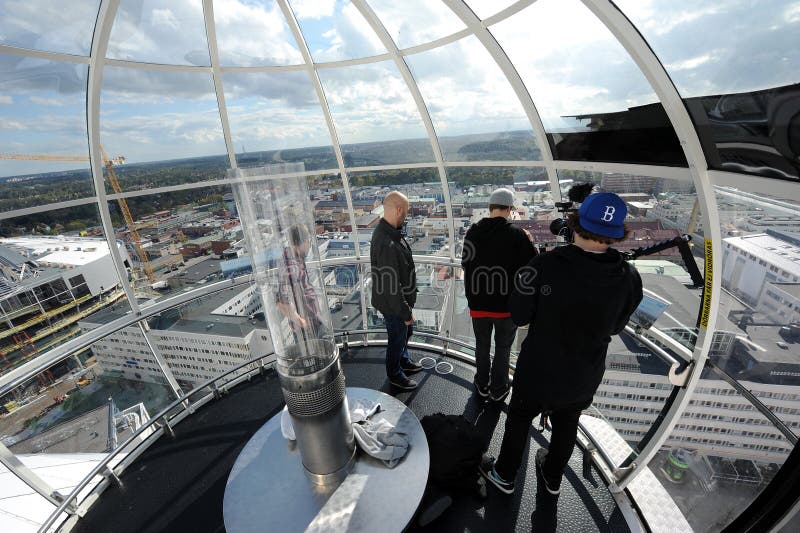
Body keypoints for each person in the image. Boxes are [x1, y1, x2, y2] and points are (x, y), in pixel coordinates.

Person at [480, 192, 643, 496]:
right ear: (618, 233)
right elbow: (618, 325)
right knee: (567, 424)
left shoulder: (544, 264)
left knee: (518, 419)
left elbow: (518, 315)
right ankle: (552, 477)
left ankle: (504, 475)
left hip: (539, 368)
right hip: (584, 373)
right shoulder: (630, 277)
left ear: (575, 222)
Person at [462, 188, 536, 402]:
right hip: (505, 306)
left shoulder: (473, 232)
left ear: (490, 208)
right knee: (503, 348)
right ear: (510, 209)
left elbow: (466, 263)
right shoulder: (517, 235)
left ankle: (481, 383)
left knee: (482, 345)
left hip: (478, 303)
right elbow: (532, 265)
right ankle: (498, 388)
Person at [370, 191, 422, 390]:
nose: (406, 216)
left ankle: (403, 361)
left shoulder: (389, 232)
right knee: (397, 337)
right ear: (399, 209)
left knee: (404, 333)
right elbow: (391, 286)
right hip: (394, 305)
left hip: (398, 301)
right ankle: (394, 374)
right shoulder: (386, 241)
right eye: (406, 212)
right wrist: (405, 312)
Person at [276, 224, 327, 343]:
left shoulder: (295, 259)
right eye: (309, 242)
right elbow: (282, 301)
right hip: (307, 330)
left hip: (311, 323)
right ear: (304, 242)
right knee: (316, 357)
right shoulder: (291, 265)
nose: (309, 246)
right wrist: (301, 322)